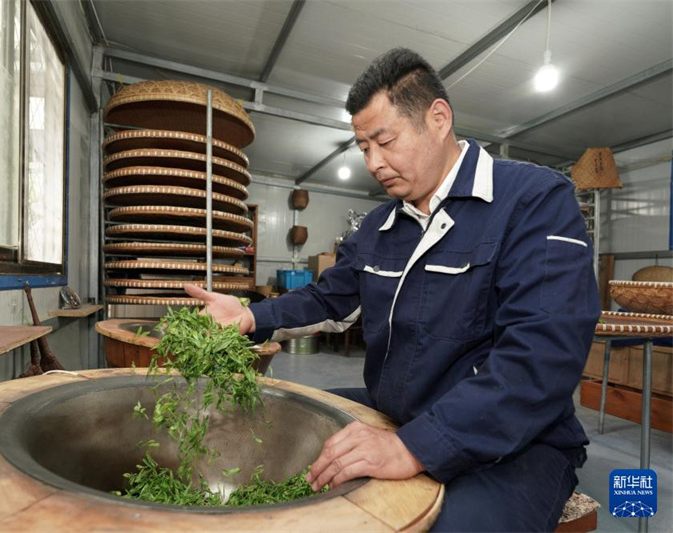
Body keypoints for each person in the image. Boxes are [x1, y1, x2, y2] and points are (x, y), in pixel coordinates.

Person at [185, 47, 600, 531]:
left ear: (438, 119)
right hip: (398, 409)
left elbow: (543, 357)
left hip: (516, 440)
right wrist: (251, 317)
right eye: (363, 148)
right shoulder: (381, 225)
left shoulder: (533, 200)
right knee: (266, 422)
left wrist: (413, 447)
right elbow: (329, 299)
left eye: (385, 141)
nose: (374, 163)